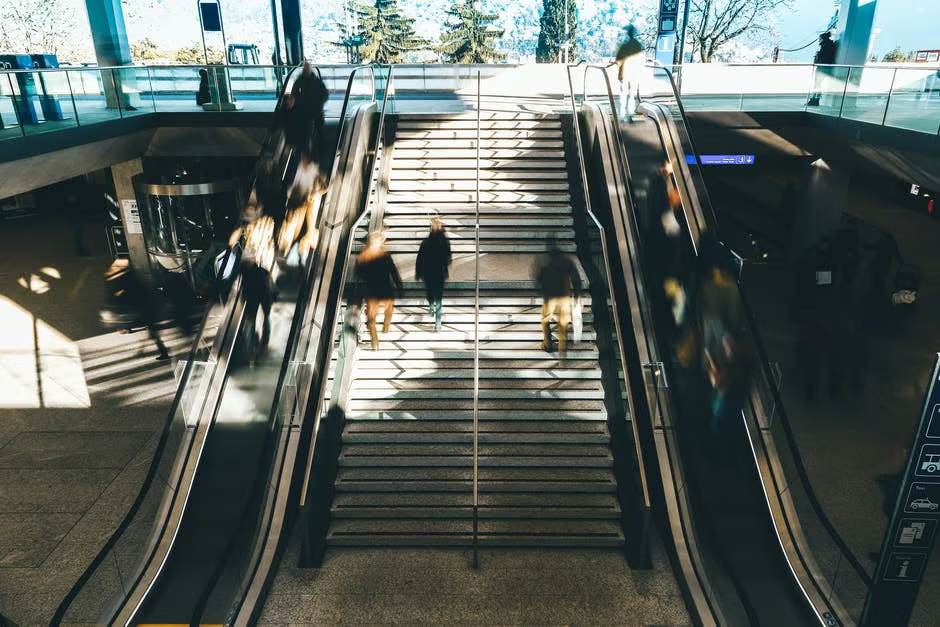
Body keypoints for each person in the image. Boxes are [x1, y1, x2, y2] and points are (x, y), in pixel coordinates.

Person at [355, 231, 403, 351]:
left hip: (371, 291)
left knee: (371, 318)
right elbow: (394, 272)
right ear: (379, 243)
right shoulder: (385, 256)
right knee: (389, 308)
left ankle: (375, 342)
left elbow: (358, 275)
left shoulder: (361, 257)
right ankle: (386, 327)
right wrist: (399, 287)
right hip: (385, 289)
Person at [533, 240, 582, 355]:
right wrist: (577, 295)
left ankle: (548, 344)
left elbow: (539, 280)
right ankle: (562, 350)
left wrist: (540, 291)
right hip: (564, 298)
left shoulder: (544, 262)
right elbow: (576, 279)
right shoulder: (567, 261)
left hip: (550, 298)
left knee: (545, 319)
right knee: (563, 323)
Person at [239, 216, 277, 364]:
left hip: (251, 292)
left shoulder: (246, 261)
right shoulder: (263, 263)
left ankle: (250, 350)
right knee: (265, 317)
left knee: (251, 321)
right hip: (263, 290)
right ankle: (263, 345)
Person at [284, 61, 330, 164]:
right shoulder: (309, 81)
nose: (305, 71)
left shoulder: (310, 81)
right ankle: (313, 154)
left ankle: (317, 153)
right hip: (309, 113)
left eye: (306, 69)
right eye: (305, 69)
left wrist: (318, 104)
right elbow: (294, 94)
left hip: (312, 113)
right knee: (310, 134)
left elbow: (325, 95)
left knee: (316, 132)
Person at [415, 217, 452, 332]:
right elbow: (448, 257)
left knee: (436, 297)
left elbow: (420, 258)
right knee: (433, 295)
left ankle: (438, 323)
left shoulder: (429, 242)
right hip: (435, 272)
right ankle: (432, 309)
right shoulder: (439, 242)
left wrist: (418, 272)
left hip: (432, 272)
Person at [615, 25, 645, 120]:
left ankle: (622, 116)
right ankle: (630, 115)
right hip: (635, 74)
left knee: (624, 95)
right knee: (632, 95)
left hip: (624, 74)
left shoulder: (624, 46)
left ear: (628, 34)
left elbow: (618, 60)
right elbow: (641, 59)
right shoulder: (638, 45)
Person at [807, 32, 838, 106]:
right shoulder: (831, 45)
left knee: (817, 84)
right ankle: (815, 99)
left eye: (820, 39)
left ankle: (814, 100)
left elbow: (823, 58)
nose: (819, 41)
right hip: (827, 67)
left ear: (823, 39)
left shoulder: (825, 46)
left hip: (822, 68)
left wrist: (818, 55)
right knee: (819, 85)